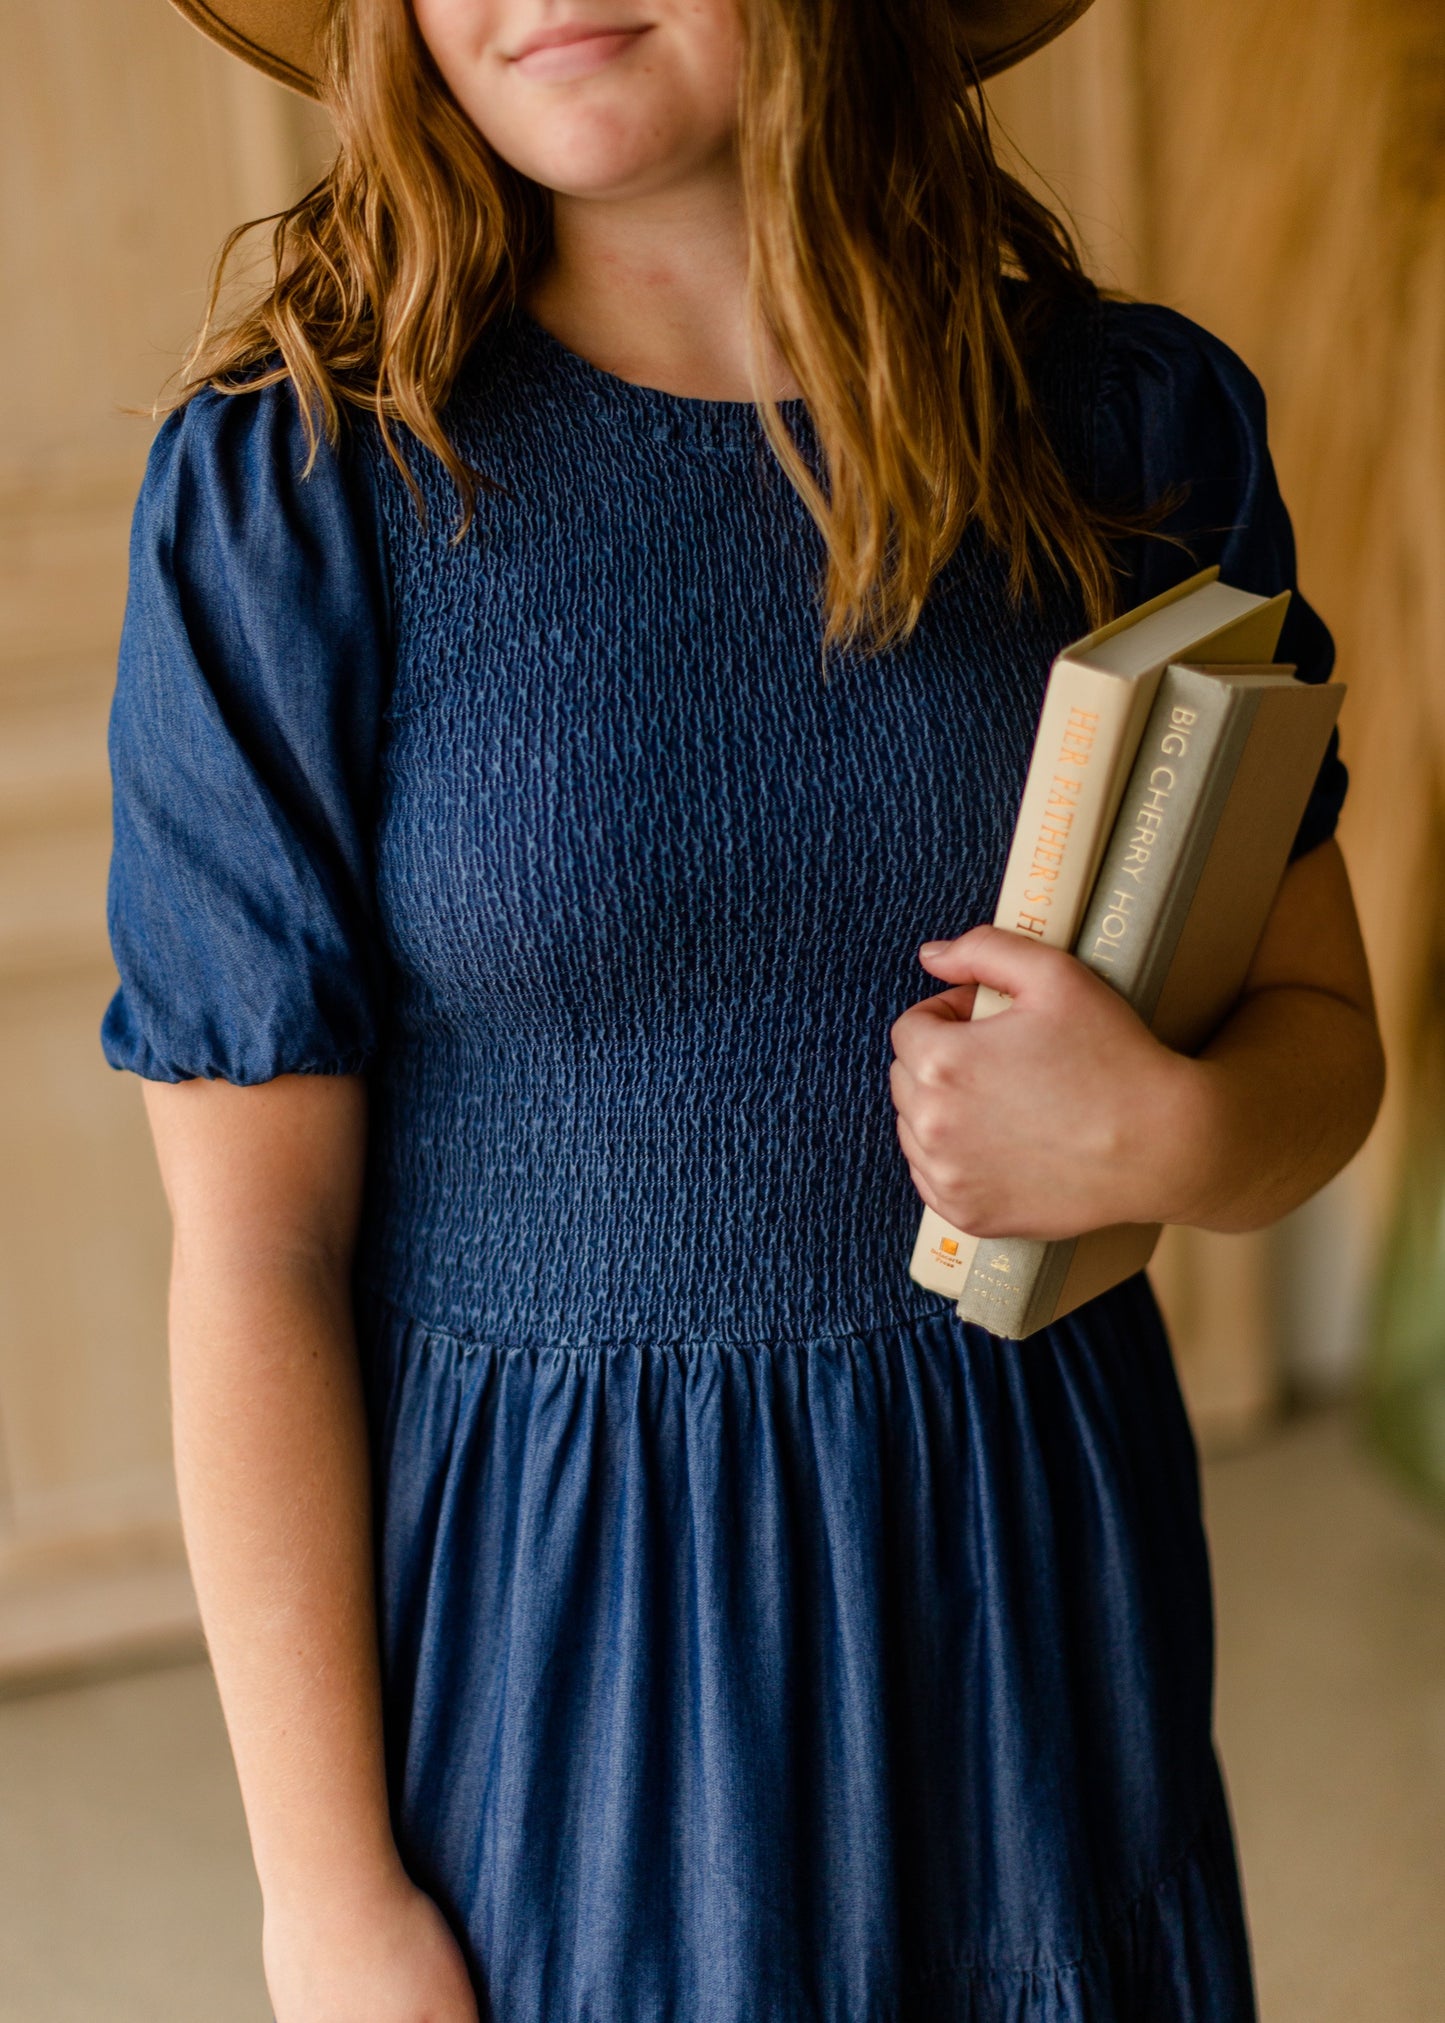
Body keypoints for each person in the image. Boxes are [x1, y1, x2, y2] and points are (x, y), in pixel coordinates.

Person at [103, 2, 1385, 2018]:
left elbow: (1324, 1037)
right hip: (563, 1671)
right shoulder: (295, 498)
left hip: (1029, 1625)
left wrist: (1170, 1135)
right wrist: (329, 1905)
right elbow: (257, 1248)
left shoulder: (1126, 432)